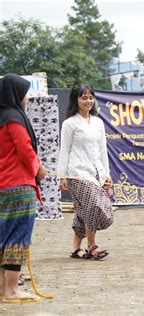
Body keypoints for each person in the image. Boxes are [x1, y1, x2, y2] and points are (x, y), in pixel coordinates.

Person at [0, 74, 46, 303]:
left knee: (4, 237)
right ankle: (11, 290)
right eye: (25, 93)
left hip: (4, 184)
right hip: (18, 186)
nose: (27, 97)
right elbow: (25, 149)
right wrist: (39, 169)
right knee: (17, 239)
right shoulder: (13, 119)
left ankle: (4, 288)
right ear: (16, 94)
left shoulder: (1, 117)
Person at [58, 84, 114, 260]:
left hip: (95, 173)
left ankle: (76, 248)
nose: (88, 101)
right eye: (84, 97)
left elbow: (102, 150)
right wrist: (62, 176)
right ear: (76, 100)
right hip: (77, 174)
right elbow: (64, 150)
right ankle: (92, 246)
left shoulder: (98, 122)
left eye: (91, 97)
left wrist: (107, 175)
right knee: (93, 206)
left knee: (83, 211)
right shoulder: (69, 124)